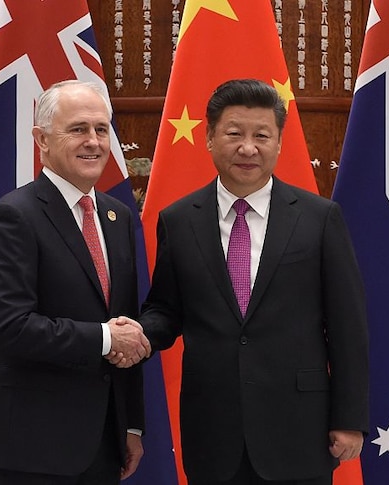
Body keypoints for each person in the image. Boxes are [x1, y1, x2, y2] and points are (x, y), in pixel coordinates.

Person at [137, 79, 369, 485]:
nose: (248, 148)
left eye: (262, 135)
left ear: (279, 143)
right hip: (213, 431)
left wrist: (349, 419)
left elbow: (348, 326)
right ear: (209, 138)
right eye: (234, 134)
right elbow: (166, 310)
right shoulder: (178, 220)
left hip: (299, 429)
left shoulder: (318, 218)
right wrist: (136, 335)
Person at [0, 80, 150, 485]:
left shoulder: (117, 217)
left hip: (104, 444)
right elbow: (11, 329)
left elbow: (125, 321)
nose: (93, 141)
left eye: (102, 129)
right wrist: (104, 338)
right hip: (32, 449)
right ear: (42, 140)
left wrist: (132, 424)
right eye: (78, 129)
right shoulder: (13, 217)